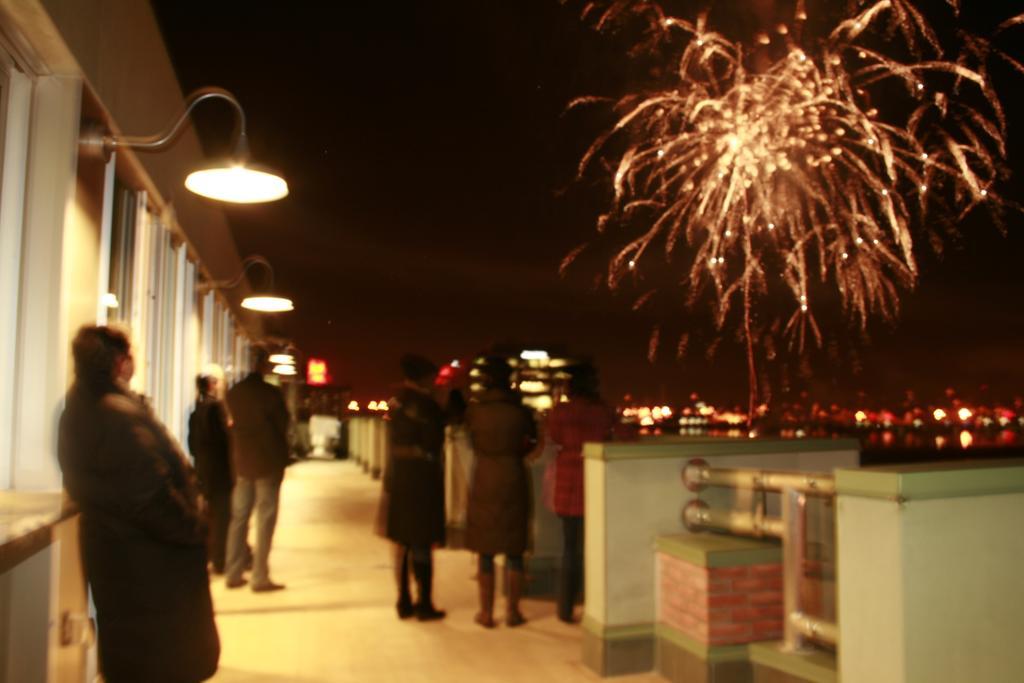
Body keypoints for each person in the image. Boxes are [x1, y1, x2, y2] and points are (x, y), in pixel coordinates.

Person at [57, 325, 219, 682]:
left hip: (123, 563)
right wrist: (197, 530)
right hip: (151, 571)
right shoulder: (116, 415)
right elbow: (148, 498)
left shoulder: (82, 407)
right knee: (162, 663)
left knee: (134, 658)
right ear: (120, 362)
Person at [465, 358, 537, 628]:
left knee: (485, 549)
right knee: (515, 549)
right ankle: (513, 612)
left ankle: (485, 613)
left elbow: (471, 441)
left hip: (484, 475)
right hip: (513, 476)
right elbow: (531, 441)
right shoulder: (520, 411)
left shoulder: (475, 410)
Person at [544, 362, 615, 623]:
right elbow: (613, 433)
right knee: (594, 546)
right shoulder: (602, 411)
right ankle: (594, 603)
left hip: (567, 482)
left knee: (569, 547)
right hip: (594, 480)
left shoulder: (561, 412)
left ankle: (565, 608)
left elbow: (553, 436)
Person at [381, 353, 447, 620]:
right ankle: (424, 603)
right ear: (424, 378)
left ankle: (403, 600)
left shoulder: (396, 403)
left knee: (403, 542)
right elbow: (435, 442)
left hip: (400, 478)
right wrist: (442, 405)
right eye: (432, 377)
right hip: (422, 479)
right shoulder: (427, 406)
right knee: (421, 541)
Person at [224, 347, 291, 592]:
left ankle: (233, 573)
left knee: (238, 518)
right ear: (263, 366)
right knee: (265, 519)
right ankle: (259, 576)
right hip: (268, 462)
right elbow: (284, 424)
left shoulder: (233, 393)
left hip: (242, 461)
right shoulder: (271, 394)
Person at [188, 367, 233, 574]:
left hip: (203, 470)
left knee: (206, 515)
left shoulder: (196, 410)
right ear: (212, 384)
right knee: (223, 516)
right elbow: (224, 440)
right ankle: (219, 559)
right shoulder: (216, 408)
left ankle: (204, 557)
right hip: (220, 471)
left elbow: (192, 444)